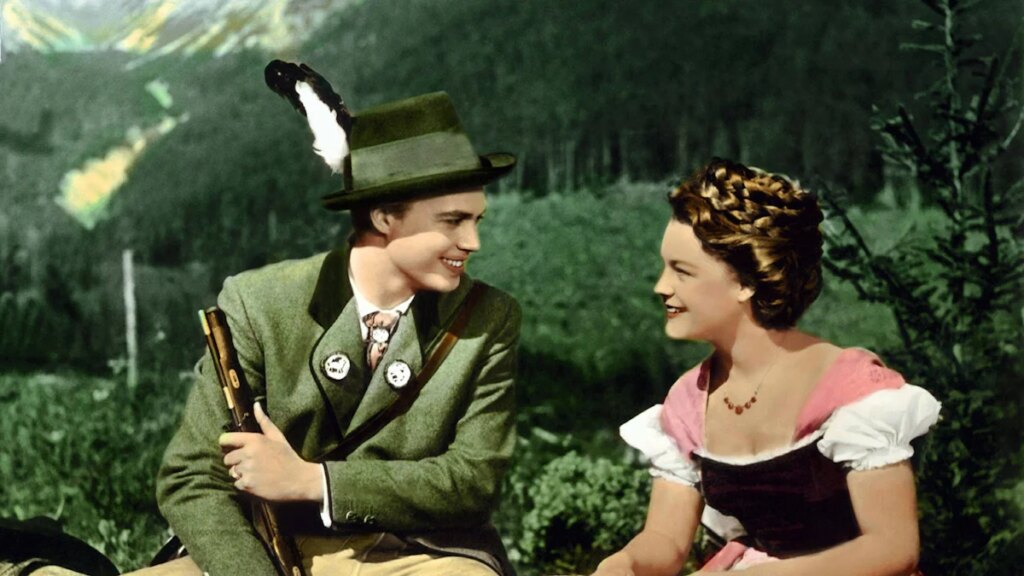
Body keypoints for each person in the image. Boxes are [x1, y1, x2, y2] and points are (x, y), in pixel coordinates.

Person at [137, 64, 521, 576]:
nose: (472, 243)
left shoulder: (487, 319)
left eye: (476, 221)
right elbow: (193, 477)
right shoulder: (259, 303)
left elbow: (472, 481)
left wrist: (312, 482)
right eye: (453, 222)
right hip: (258, 551)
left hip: (414, 555)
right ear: (384, 217)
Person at [592, 158, 940, 576]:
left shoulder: (847, 389)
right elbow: (666, 540)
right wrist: (626, 562)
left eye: (682, 272)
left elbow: (893, 547)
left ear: (745, 282)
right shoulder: (687, 402)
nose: (661, 287)